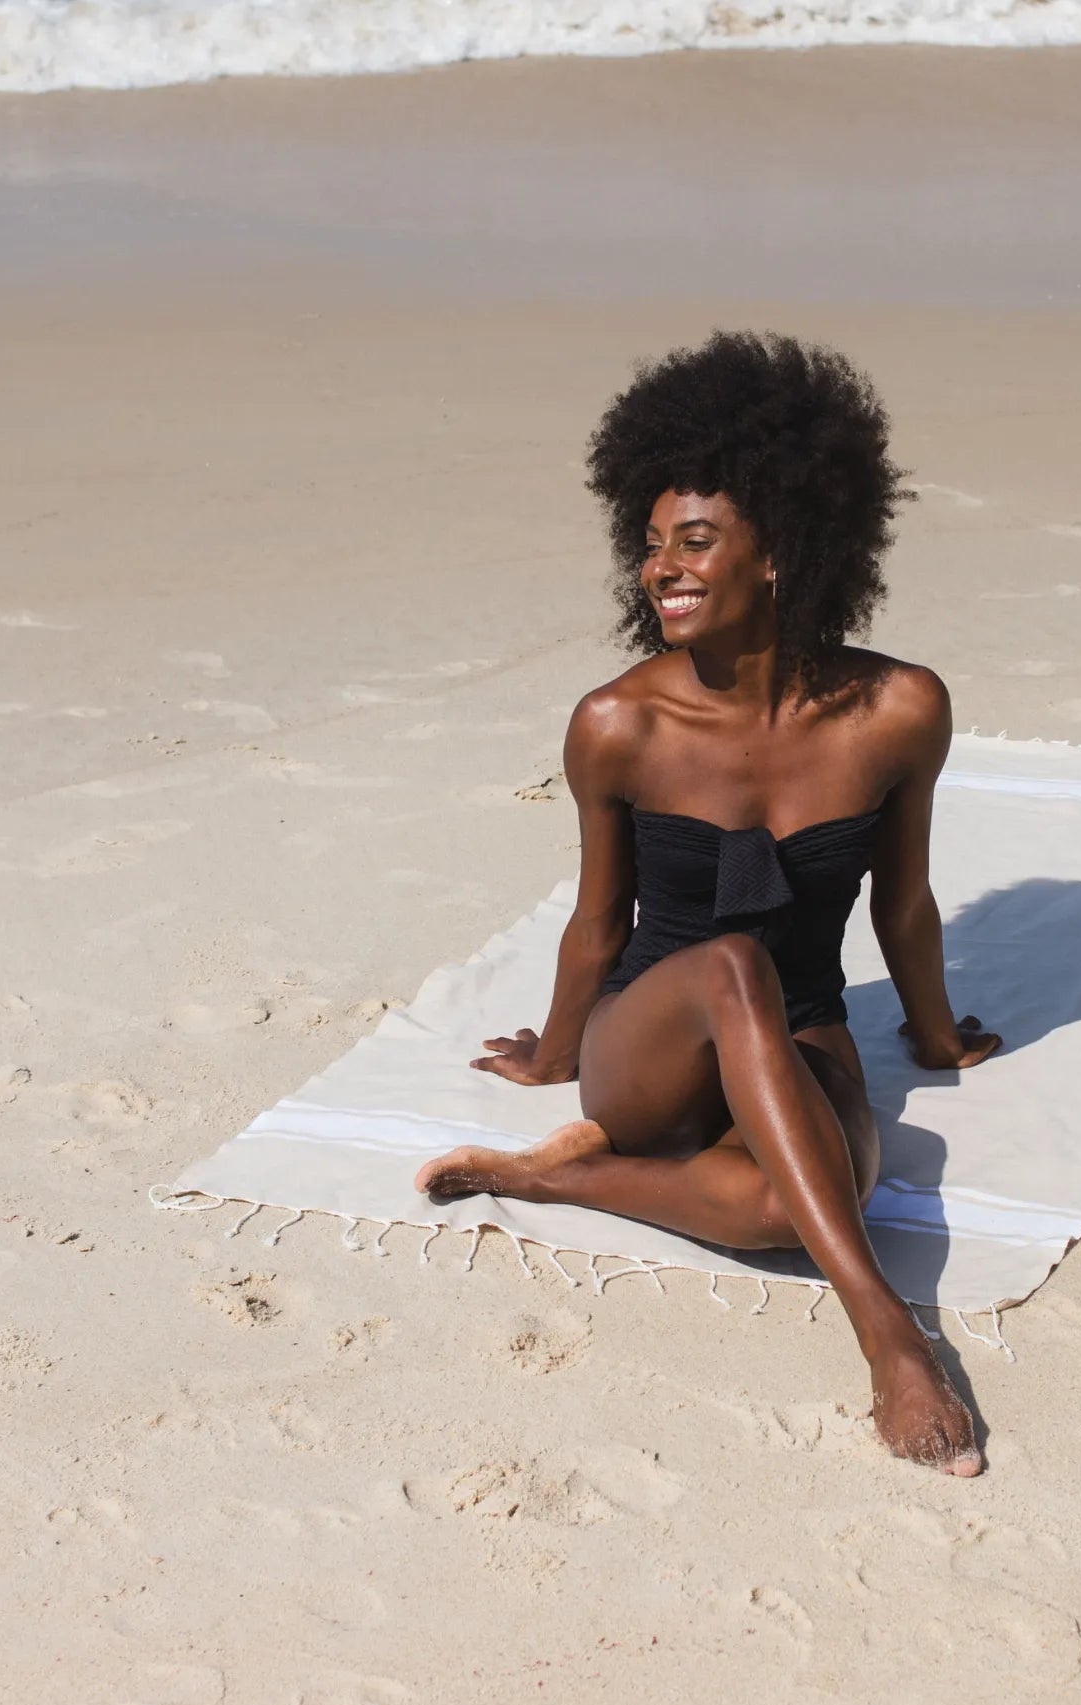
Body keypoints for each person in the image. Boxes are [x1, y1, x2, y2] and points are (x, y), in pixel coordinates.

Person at [416, 332, 1000, 1476]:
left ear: (775, 549)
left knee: (794, 1210)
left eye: (693, 542)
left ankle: (558, 1174)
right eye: (650, 546)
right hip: (656, 1041)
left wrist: (931, 1033)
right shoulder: (616, 723)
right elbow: (597, 918)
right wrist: (554, 1056)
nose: (659, 570)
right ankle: (888, 1331)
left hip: (803, 1029)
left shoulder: (896, 708)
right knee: (733, 963)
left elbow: (906, 897)